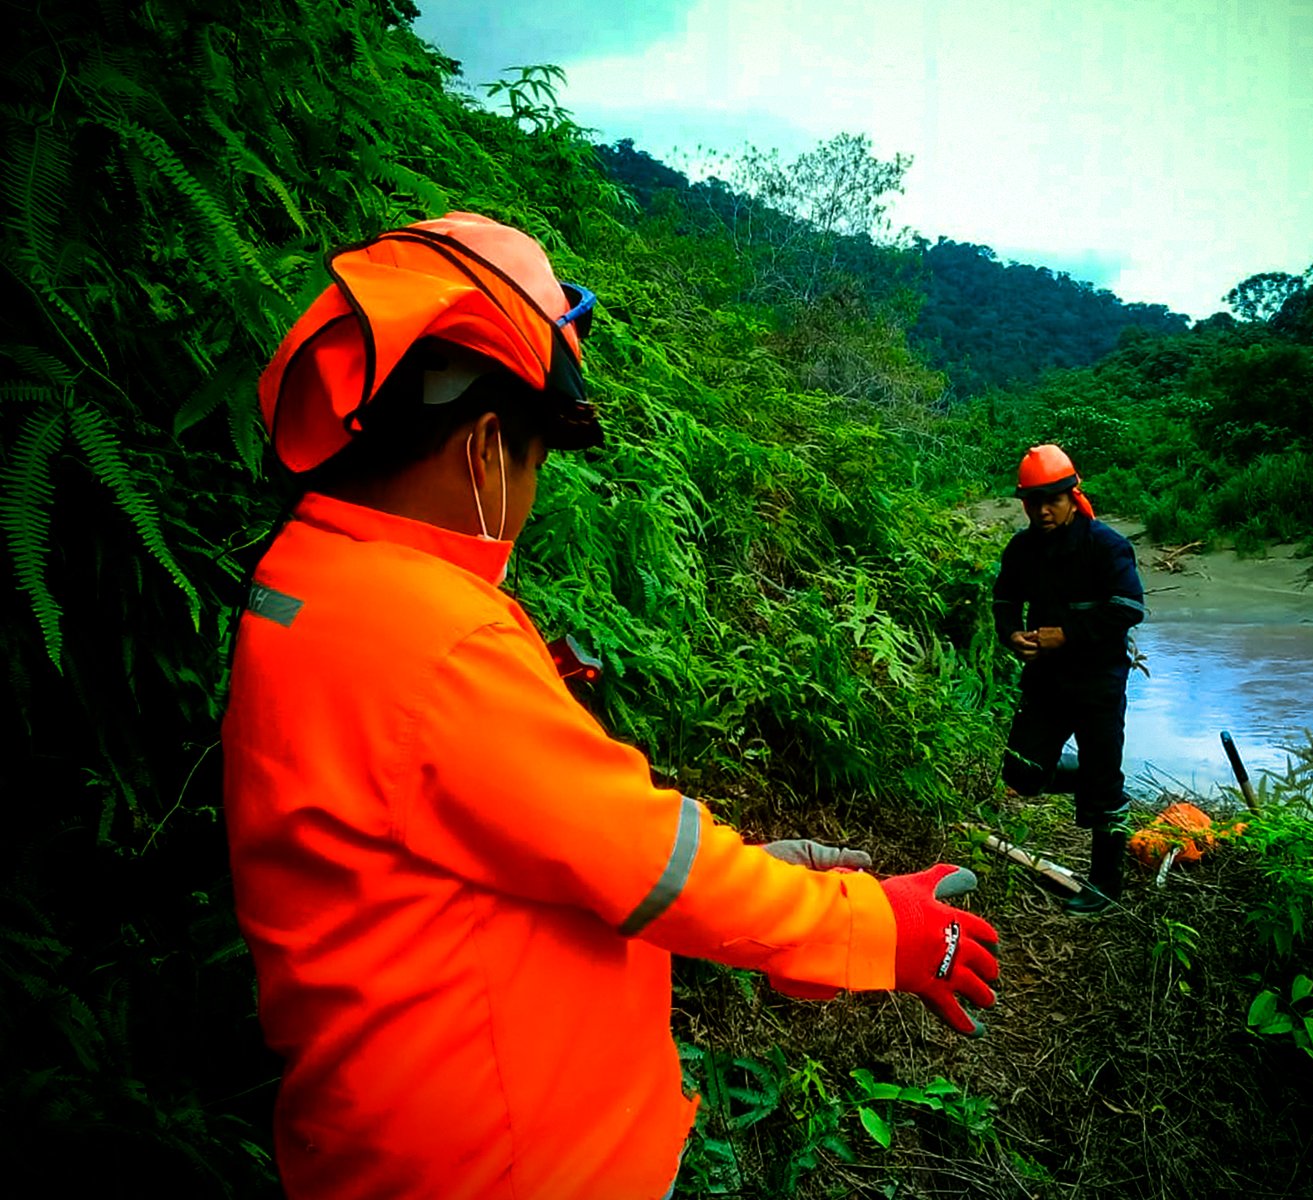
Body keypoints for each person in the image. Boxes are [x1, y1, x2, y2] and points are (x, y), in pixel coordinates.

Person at [221, 213, 999, 1200]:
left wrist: (761, 881)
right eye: (538, 460)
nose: (530, 493)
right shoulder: (433, 638)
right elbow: (647, 862)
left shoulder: (308, 582)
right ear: (487, 446)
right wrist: (865, 926)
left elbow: (518, 844)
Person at [992, 444, 1146, 914]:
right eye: (1032, 501)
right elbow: (1004, 600)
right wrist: (1011, 635)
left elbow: (1129, 607)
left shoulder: (1106, 545)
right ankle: (1093, 778)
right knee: (1019, 771)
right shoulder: (1022, 549)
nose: (1042, 510)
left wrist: (1069, 635)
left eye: (1052, 500)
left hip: (1099, 682)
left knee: (1103, 788)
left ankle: (1104, 888)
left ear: (1072, 496)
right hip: (1045, 681)